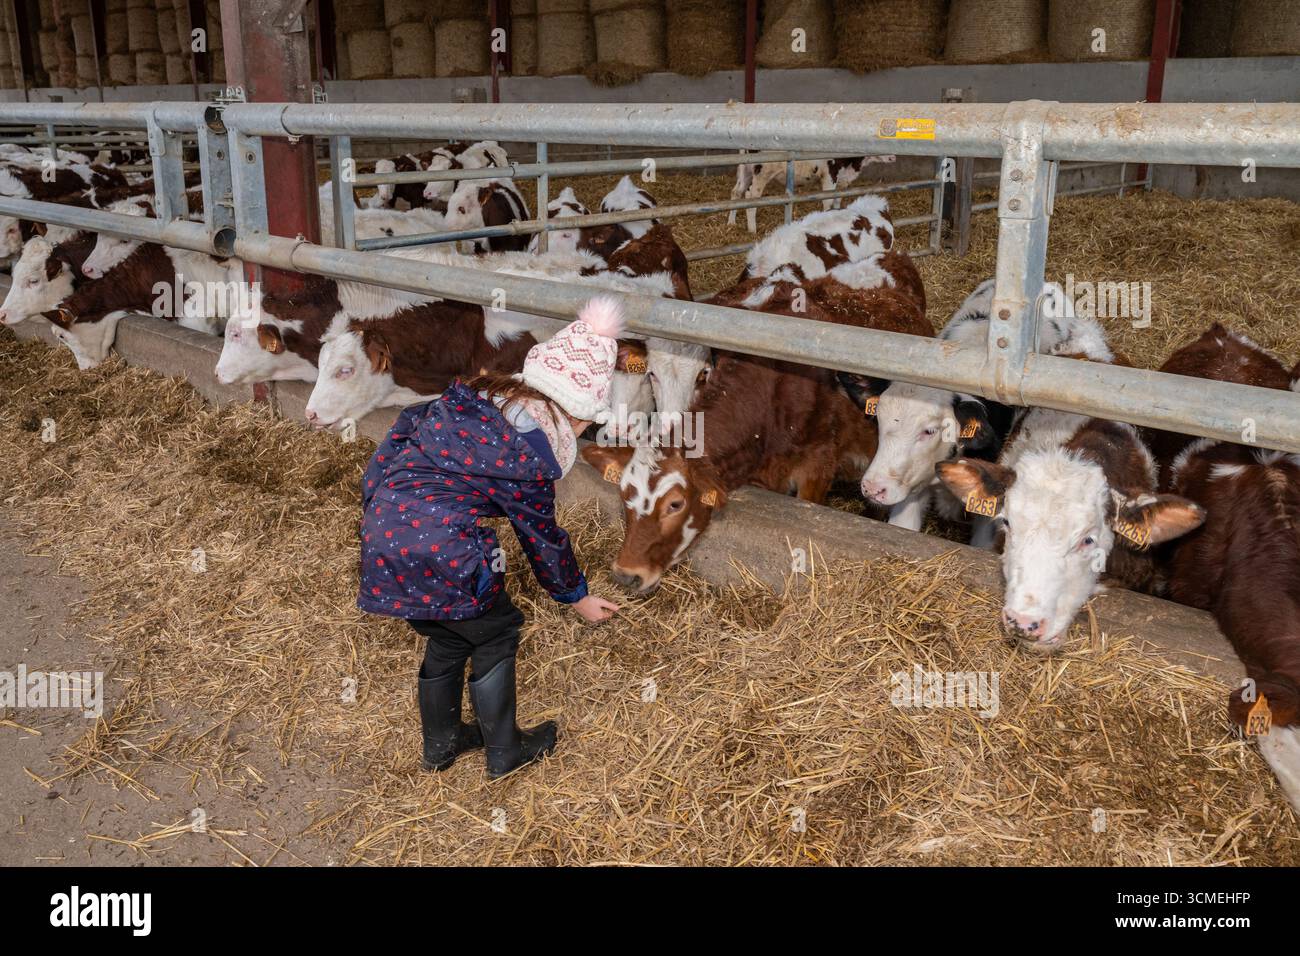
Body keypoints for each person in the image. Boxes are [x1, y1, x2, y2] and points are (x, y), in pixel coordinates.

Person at [358, 296, 624, 778]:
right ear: (575, 411)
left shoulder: (471, 398)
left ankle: (442, 745)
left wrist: (377, 503)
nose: (585, 430)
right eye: (587, 422)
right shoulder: (527, 456)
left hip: (384, 534)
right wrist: (576, 595)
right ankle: (505, 751)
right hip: (443, 546)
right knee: (496, 630)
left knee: (446, 634)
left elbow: (402, 428)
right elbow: (542, 537)